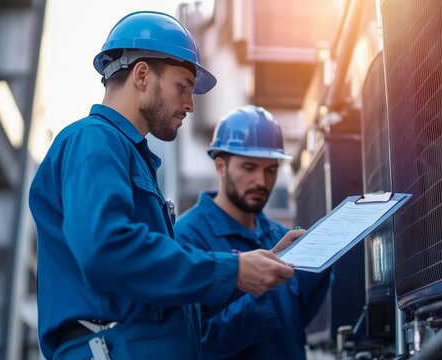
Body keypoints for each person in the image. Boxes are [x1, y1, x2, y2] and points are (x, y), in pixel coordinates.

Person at [28, 11, 302, 360]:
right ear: (142, 75)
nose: (189, 104)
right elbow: (106, 249)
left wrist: (254, 267)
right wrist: (233, 269)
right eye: (182, 86)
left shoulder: (125, 154)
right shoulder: (93, 141)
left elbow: (169, 297)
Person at [174, 105, 331, 360]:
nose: (261, 181)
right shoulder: (187, 237)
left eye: (271, 169)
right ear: (221, 166)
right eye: (249, 167)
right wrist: (258, 288)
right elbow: (193, 341)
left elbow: (302, 322)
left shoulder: (281, 238)